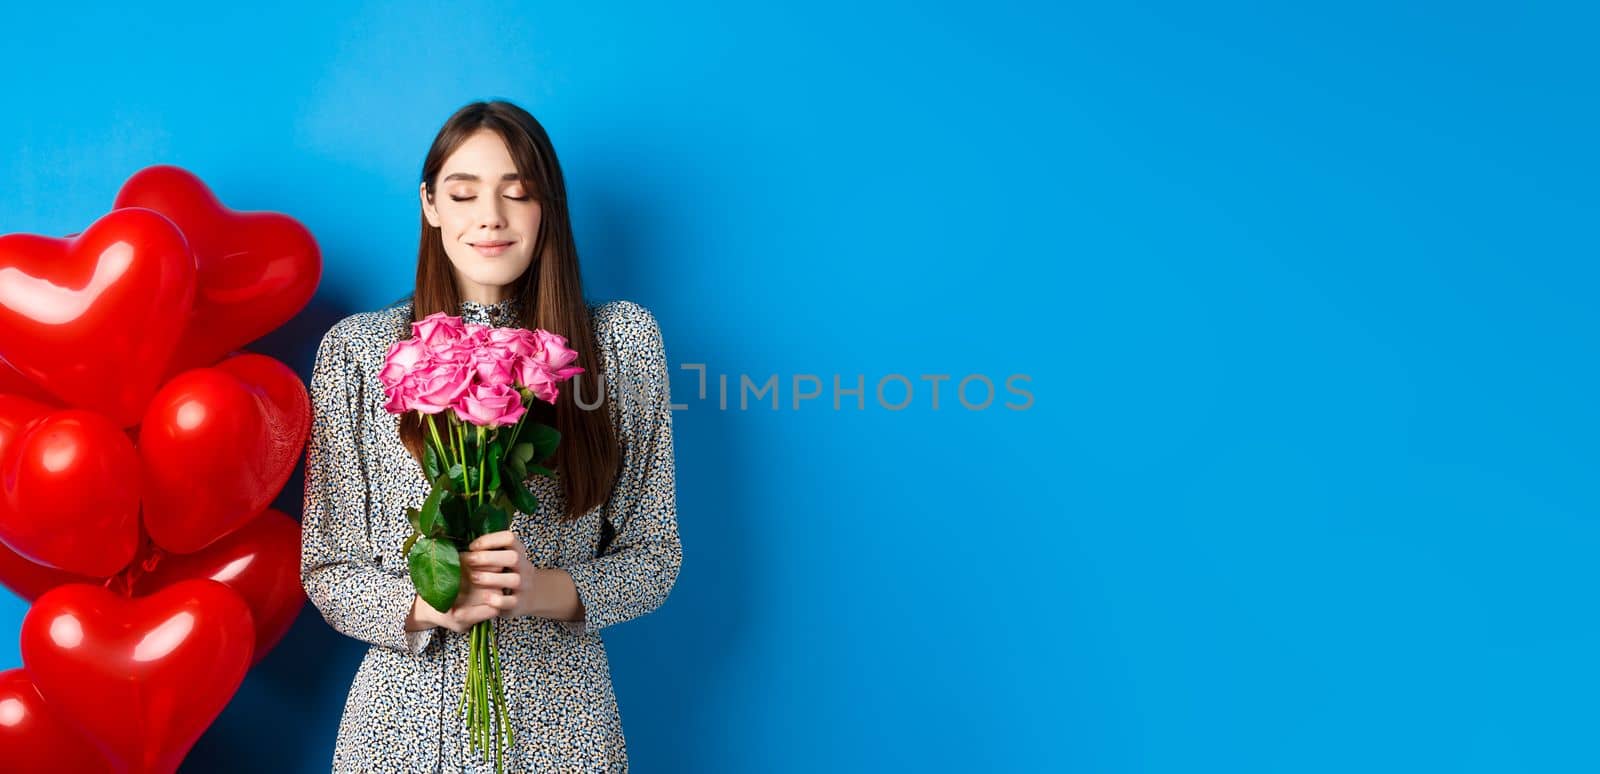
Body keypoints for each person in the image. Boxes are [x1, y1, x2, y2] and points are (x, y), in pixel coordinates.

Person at [300, 99, 682, 772]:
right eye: (464, 192)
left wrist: (543, 591)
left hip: (565, 729)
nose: (491, 218)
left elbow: (654, 558)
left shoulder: (620, 346)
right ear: (430, 204)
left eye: (518, 193)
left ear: (548, 209)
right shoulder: (361, 351)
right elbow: (326, 569)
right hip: (400, 732)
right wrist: (426, 603)